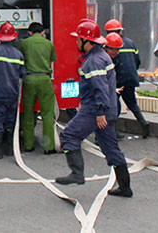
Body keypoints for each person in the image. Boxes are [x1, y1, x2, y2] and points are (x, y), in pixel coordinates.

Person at [56, 19, 132, 198]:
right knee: (110, 148)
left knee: (68, 136)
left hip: (96, 110)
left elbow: (100, 88)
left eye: (78, 39)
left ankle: (77, 173)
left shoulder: (94, 61)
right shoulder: (100, 57)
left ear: (87, 41)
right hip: (107, 109)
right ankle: (125, 187)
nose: (76, 42)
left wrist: (99, 113)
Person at [0, 21, 26, 159]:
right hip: (13, 93)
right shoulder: (18, 54)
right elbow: (22, 73)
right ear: (14, 37)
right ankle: (9, 149)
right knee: (10, 120)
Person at [104, 20, 150, 138]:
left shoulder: (108, 45)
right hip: (131, 77)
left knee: (114, 105)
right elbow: (137, 60)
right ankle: (143, 123)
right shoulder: (130, 43)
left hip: (117, 79)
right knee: (132, 103)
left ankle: (113, 130)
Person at [17, 22, 58, 154]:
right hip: (45, 79)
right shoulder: (49, 43)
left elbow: (21, 60)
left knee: (28, 113)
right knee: (47, 114)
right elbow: (52, 60)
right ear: (42, 32)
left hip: (29, 79)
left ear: (29, 32)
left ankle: (29, 145)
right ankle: (49, 146)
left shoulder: (24, 43)